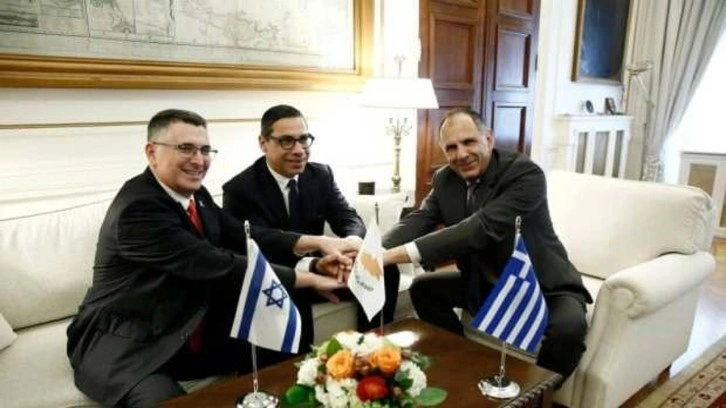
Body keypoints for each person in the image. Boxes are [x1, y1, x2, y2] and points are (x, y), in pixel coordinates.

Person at [66, 109, 346, 408]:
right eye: (186, 148)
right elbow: (215, 263)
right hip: (129, 342)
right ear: (152, 152)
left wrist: (318, 245)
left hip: (189, 325)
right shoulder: (138, 208)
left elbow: (243, 234)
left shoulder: (196, 195)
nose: (198, 160)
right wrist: (311, 278)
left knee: (281, 360)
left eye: (204, 150)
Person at [381, 108, 592, 382]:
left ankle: (536, 396)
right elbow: (419, 220)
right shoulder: (445, 179)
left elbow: (480, 228)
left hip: (543, 285)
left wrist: (394, 255)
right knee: (423, 289)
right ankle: (461, 363)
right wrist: (372, 251)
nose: (461, 154)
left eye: (469, 142)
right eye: (451, 147)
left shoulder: (524, 174)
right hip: (484, 282)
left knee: (569, 330)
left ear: (488, 139)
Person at [222, 104, 400, 333]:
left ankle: (372, 344)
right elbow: (258, 247)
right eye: (287, 141)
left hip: (323, 266)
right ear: (263, 143)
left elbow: (347, 216)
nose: (299, 150)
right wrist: (312, 267)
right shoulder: (240, 189)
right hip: (281, 273)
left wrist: (352, 244)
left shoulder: (320, 175)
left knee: (385, 270)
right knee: (292, 292)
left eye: (304, 139)